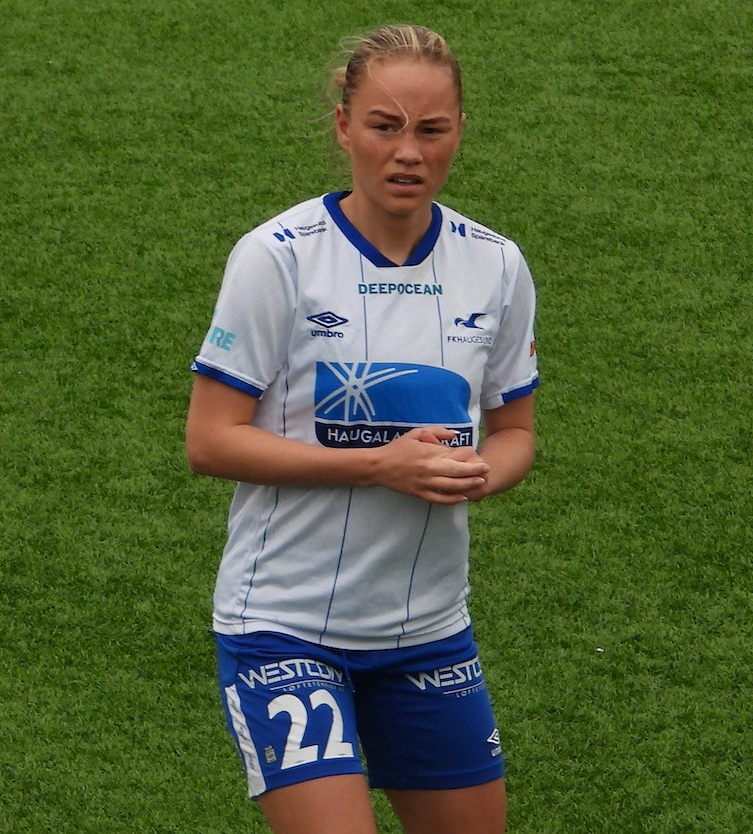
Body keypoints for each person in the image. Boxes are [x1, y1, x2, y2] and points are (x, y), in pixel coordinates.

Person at [185, 23, 537, 834]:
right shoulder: (278, 258)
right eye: (385, 126)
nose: (408, 153)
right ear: (344, 126)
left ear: (459, 132)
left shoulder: (495, 265)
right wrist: (379, 466)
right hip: (284, 627)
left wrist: (480, 472)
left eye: (431, 130)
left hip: (428, 630)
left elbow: (515, 430)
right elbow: (211, 440)